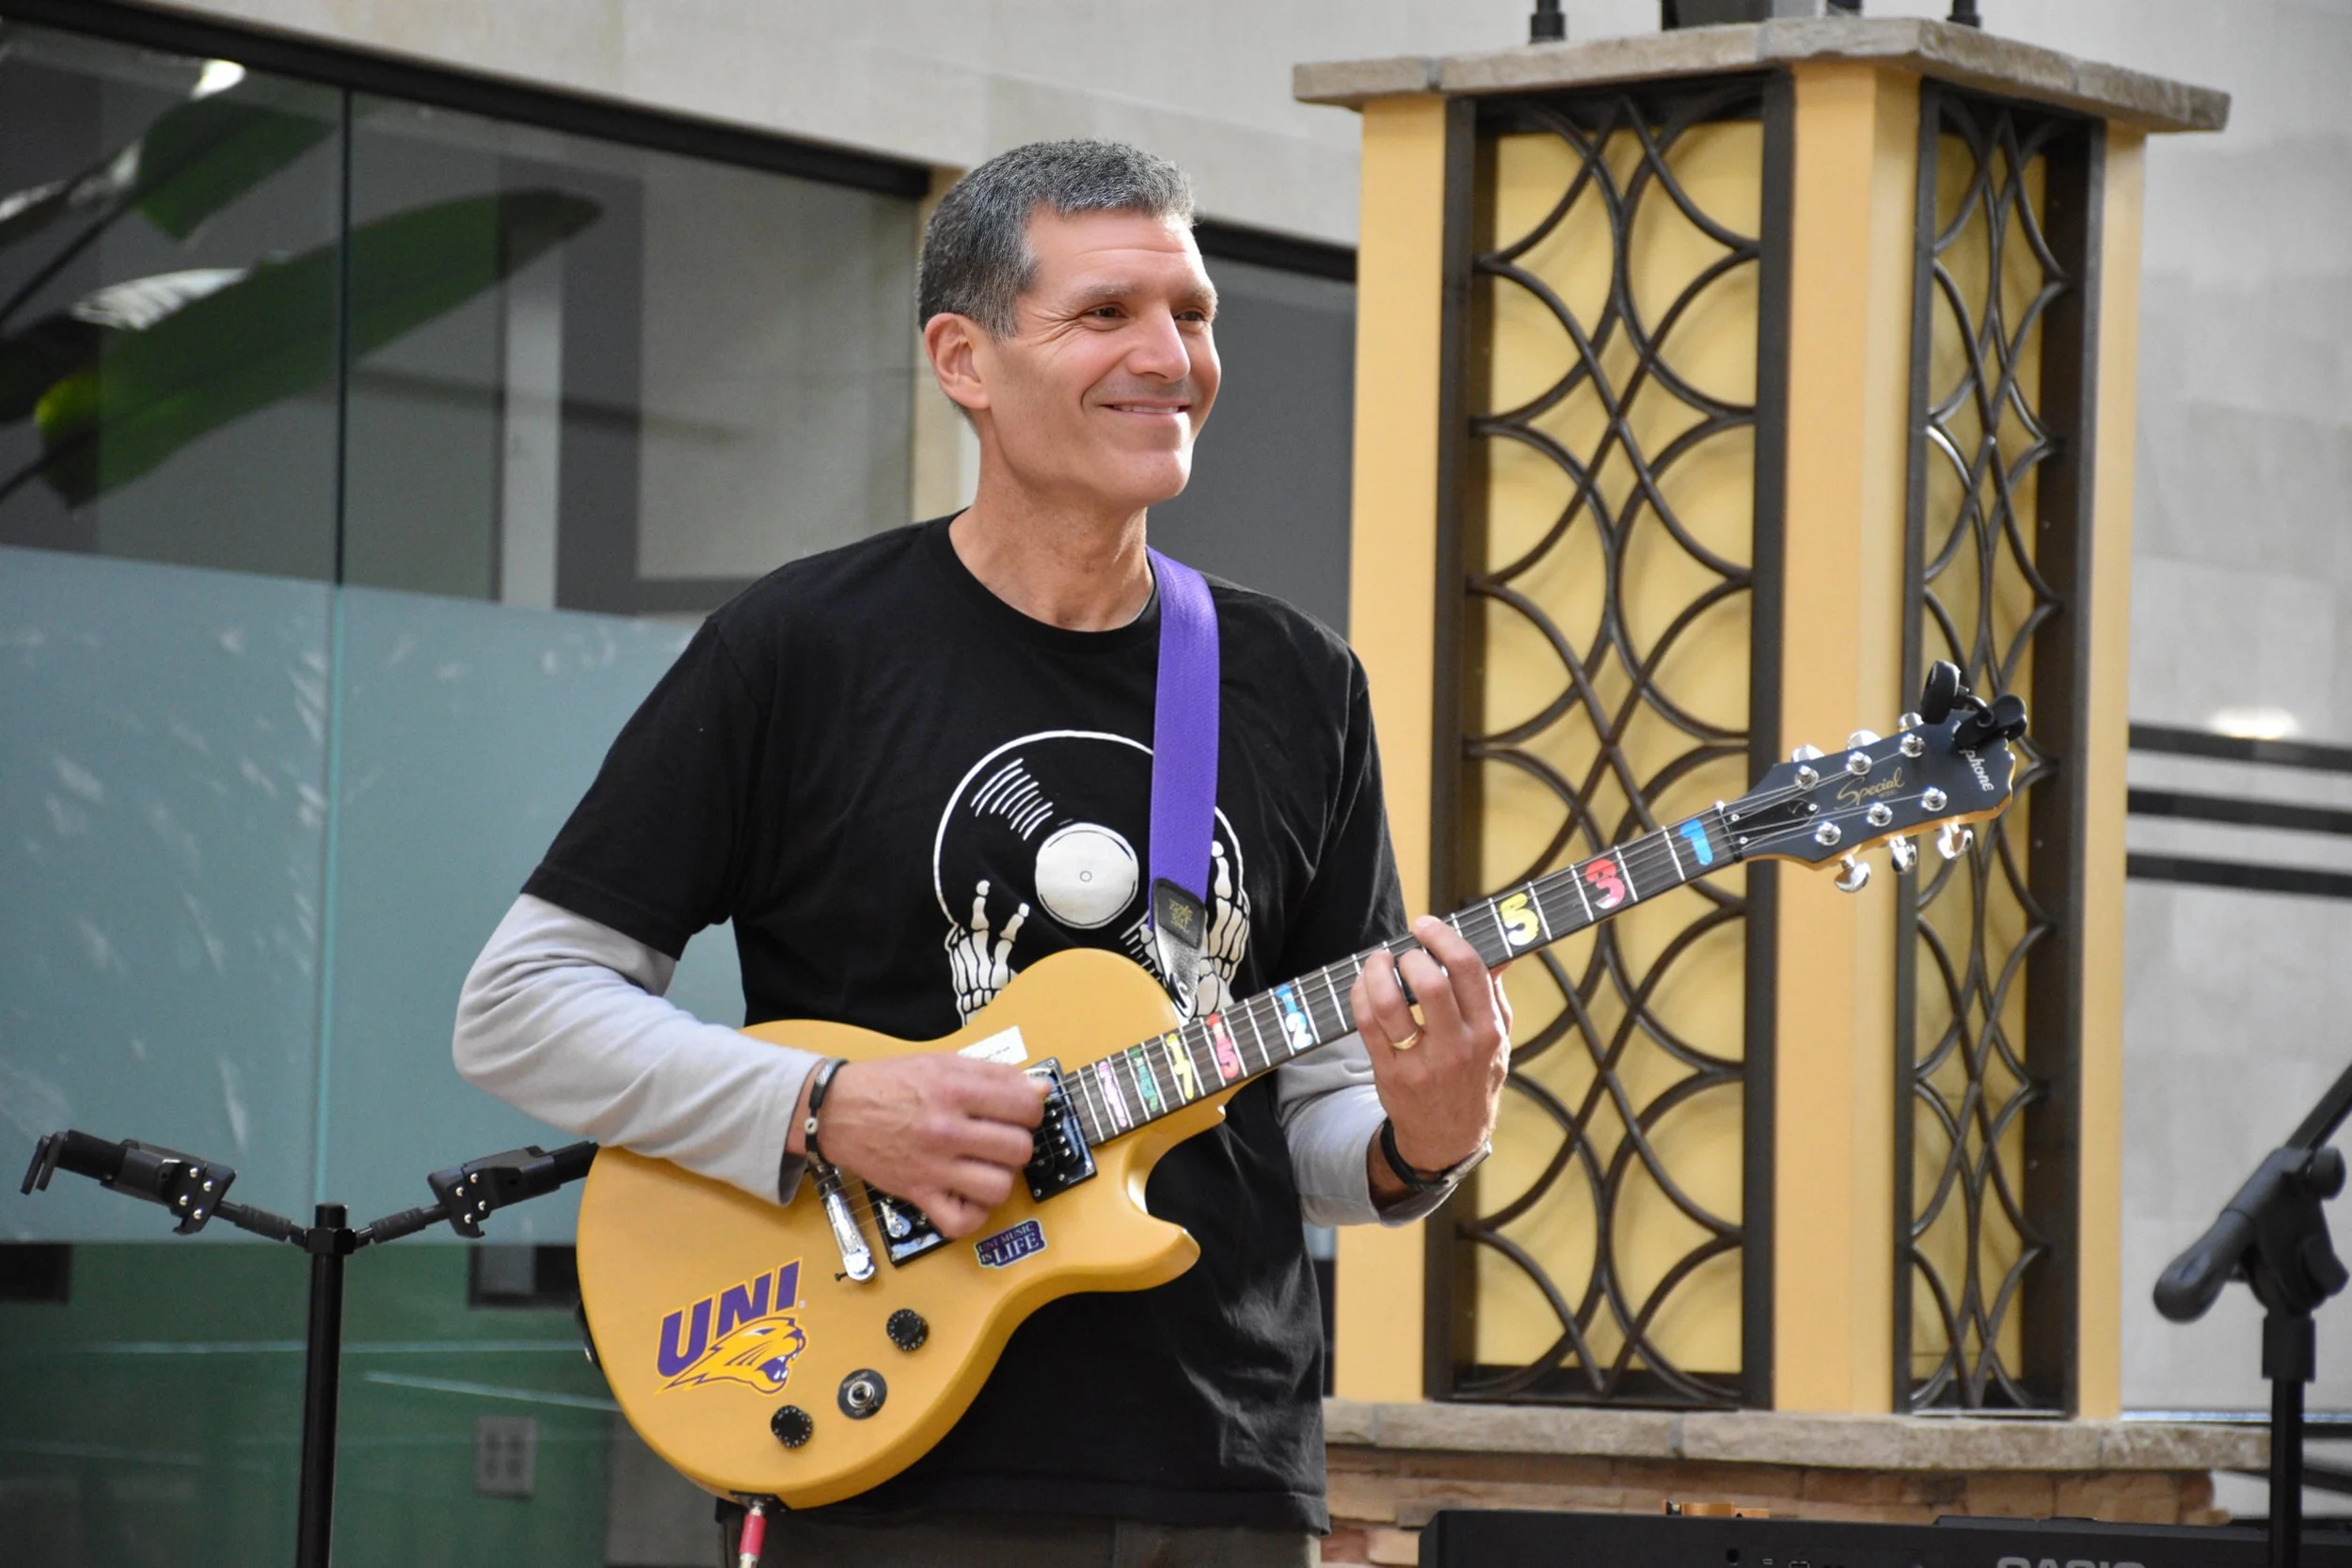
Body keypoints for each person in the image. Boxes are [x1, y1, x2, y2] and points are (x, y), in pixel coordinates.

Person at [453, 139, 1512, 1567]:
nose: (1171, 357)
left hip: (1228, 1473)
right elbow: (521, 1007)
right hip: (887, 1456)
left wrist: (1423, 1139)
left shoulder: (1294, 681)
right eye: (1106, 313)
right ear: (964, 359)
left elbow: (1299, 1123)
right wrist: (825, 1104)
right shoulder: (804, 649)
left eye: (1192, 313)